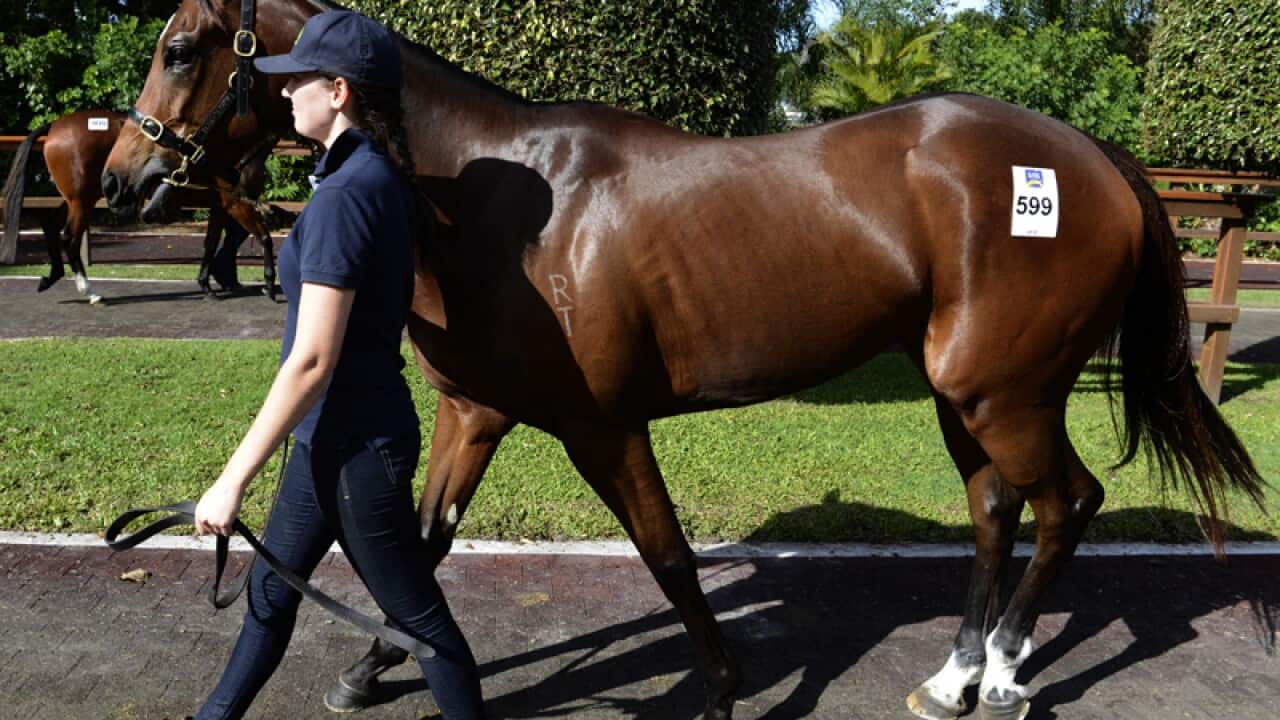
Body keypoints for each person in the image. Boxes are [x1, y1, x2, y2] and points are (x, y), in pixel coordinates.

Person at [191, 11, 486, 720]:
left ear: (340, 90)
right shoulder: (368, 177)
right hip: (333, 440)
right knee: (269, 595)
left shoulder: (349, 195)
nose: (286, 92)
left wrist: (231, 481)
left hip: (356, 452)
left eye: (298, 79)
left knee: (422, 624)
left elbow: (312, 360)